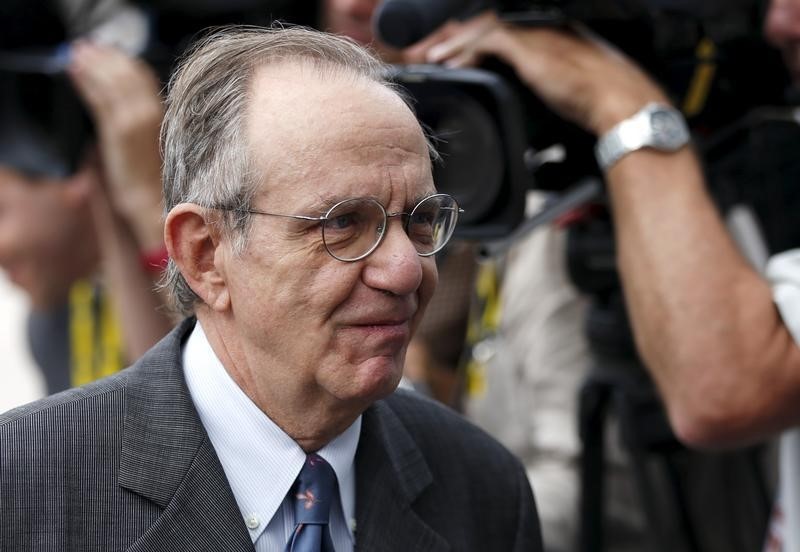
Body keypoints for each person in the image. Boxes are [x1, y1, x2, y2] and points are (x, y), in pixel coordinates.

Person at [0, 26, 542, 551]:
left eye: (421, 221)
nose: (405, 270)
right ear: (205, 255)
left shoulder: (484, 487)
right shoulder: (25, 484)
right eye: (343, 224)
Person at [0, 10, 175, 393]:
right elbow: (159, 407)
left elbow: (220, 400)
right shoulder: (51, 325)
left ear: (73, 179)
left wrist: (149, 200)